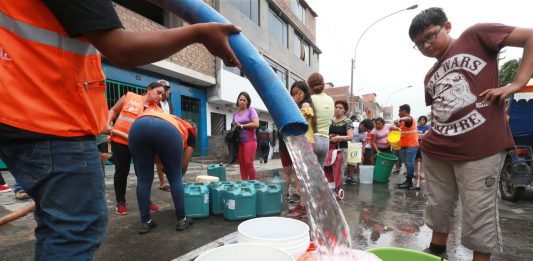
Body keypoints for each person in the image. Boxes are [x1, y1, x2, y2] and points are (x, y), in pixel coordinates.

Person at [0, 1, 241, 258]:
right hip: (56, 121)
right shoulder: (174, 123)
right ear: (149, 91)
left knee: (67, 219)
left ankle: (145, 220)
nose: (160, 94)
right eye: (158, 91)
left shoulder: (153, 108)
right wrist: (199, 32)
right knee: (170, 180)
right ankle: (182, 218)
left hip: (18, 112)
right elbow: (181, 160)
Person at [409, 7, 533, 261]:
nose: (426, 45)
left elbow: (531, 36)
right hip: (438, 148)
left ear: (447, 26)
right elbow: (441, 110)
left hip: (481, 148)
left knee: (479, 211)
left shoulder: (476, 36)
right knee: (438, 204)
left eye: (430, 36)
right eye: (419, 43)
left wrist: (517, 83)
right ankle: (437, 250)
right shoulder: (430, 76)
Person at [129, 111, 196, 234]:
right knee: (176, 178)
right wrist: (174, 172)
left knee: (143, 179)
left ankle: (146, 222)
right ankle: (182, 219)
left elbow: (156, 156)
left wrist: (164, 165)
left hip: (137, 126)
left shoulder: (172, 118)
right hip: (166, 131)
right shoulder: (190, 131)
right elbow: (184, 164)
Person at [286, 81, 316, 218]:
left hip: (305, 143)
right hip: (302, 143)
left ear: (305, 93)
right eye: (293, 93)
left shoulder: (305, 105)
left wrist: (294, 102)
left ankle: (303, 207)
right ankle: (302, 206)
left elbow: (298, 120)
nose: (295, 95)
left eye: (299, 93)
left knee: (303, 177)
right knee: (300, 176)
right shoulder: (302, 105)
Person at [326, 100, 354, 194]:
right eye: (336, 107)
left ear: (345, 110)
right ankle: (330, 187)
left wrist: (339, 137)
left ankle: (338, 188)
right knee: (329, 168)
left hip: (341, 149)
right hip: (330, 148)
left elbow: (350, 136)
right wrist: (329, 136)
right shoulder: (331, 120)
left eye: (340, 108)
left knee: (339, 169)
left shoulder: (348, 121)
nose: (337, 109)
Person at [308, 73, 334, 168]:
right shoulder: (330, 100)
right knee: (320, 174)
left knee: (310, 173)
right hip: (325, 141)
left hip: (313, 139)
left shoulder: (310, 99)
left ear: (310, 86)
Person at [233, 92, 260, 180]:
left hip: (250, 140)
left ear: (247, 102)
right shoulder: (235, 114)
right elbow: (234, 126)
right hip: (239, 142)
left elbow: (256, 124)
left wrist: (242, 126)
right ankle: (244, 183)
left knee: (248, 162)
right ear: (238, 101)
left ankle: (253, 184)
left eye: (244, 100)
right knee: (242, 163)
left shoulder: (251, 110)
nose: (242, 101)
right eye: (240, 99)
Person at [394, 104, 419, 189]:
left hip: (411, 145)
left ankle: (409, 182)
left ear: (404, 111)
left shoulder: (409, 119)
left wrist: (400, 119)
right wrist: (398, 124)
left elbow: (408, 119)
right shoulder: (404, 122)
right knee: (408, 164)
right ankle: (407, 181)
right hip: (406, 146)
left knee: (409, 163)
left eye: (399, 111)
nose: (398, 113)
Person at [156, 79, 173, 191]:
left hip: (168, 134)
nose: (163, 92)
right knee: (158, 159)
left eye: (166, 89)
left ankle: (170, 180)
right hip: (158, 134)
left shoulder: (170, 105)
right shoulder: (155, 103)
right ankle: (162, 182)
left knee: (168, 159)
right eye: (161, 90)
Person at [346, 119, 374, 184]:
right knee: (344, 162)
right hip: (346, 145)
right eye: (365, 129)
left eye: (366, 130)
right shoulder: (352, 125)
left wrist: (362, 153)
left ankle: (349, 178)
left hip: (355, 147)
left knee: (353, 162)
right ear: (361, 124)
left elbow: (363, 143)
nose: (364, 131)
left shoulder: (364, 133)